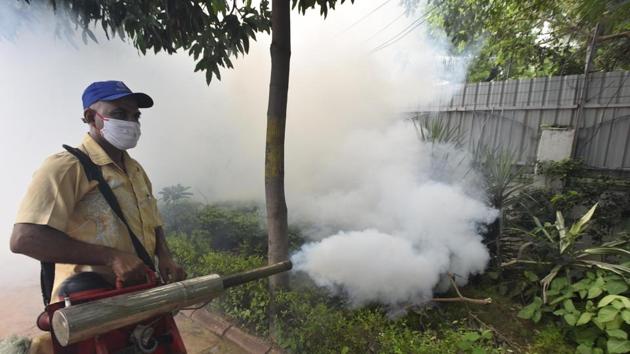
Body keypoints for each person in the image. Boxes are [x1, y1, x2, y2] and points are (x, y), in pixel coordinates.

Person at [9, 80, 185, 353]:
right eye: (119, 114)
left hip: (137, 299)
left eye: (135, 116)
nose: (131, 122)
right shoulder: (66, 167)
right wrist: (111, 257)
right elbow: (25, 239)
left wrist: (165, 254)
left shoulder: (136, 170)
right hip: (88, 307)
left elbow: (153, 219)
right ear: (92, 117)